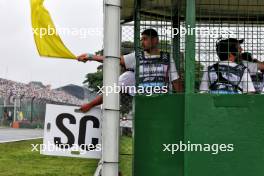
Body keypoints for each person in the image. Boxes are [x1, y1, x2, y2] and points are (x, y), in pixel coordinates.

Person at [77, 28, 183, 112]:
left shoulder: (167, 58)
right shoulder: (137, 57)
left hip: (163, 103)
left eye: (145, 39)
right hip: (144, 104)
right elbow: (114, 60)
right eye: (141, 39)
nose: (142, 42)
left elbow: (175, 80)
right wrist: (91, 56)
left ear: (155, 40)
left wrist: (182, 103)